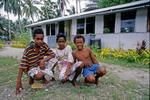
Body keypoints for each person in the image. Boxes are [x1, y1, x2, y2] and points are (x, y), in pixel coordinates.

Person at [16, 28, 55, 95]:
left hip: (40, 66)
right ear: (34, 39)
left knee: (54, 60)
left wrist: (43, 60)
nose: (40, 41)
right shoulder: (28, 49)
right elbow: (22, 66)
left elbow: (52, 54)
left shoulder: (44, 45)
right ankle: (32, 78)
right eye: (37, 39)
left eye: (41, 39)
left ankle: (44, 77)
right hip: (31, 68)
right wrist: (18, 82)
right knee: (39, 75)